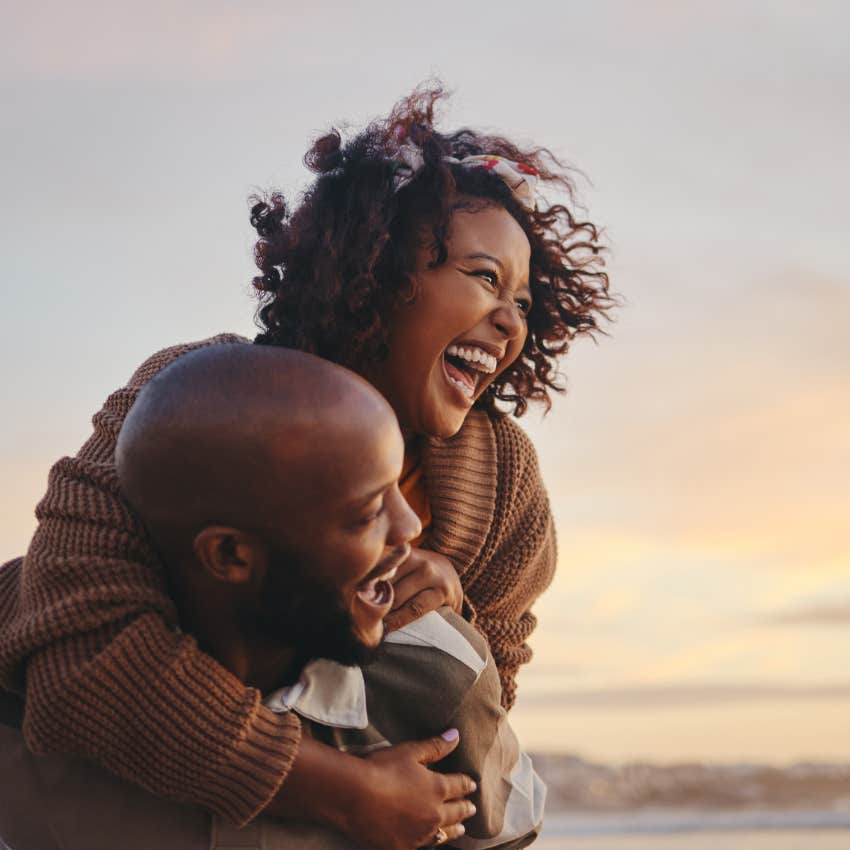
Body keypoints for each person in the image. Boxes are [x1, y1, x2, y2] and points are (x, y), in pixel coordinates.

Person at [0, 83, 611, 846]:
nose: (511, 321)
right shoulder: (195, 398)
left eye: (523, 301)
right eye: (486, 278)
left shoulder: (503, 478)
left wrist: (455, 614)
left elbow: (489, 696)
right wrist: (340, 793)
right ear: (380, 270)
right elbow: (80, 652)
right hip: (115, 786)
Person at [0, 344, 543, 850]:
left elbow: (504, 826)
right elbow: (86, 675)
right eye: (366, 513)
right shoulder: (49, 631)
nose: (409, 529)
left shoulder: (438, 672)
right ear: (231, 556)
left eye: (398, 491)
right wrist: (348, 794)